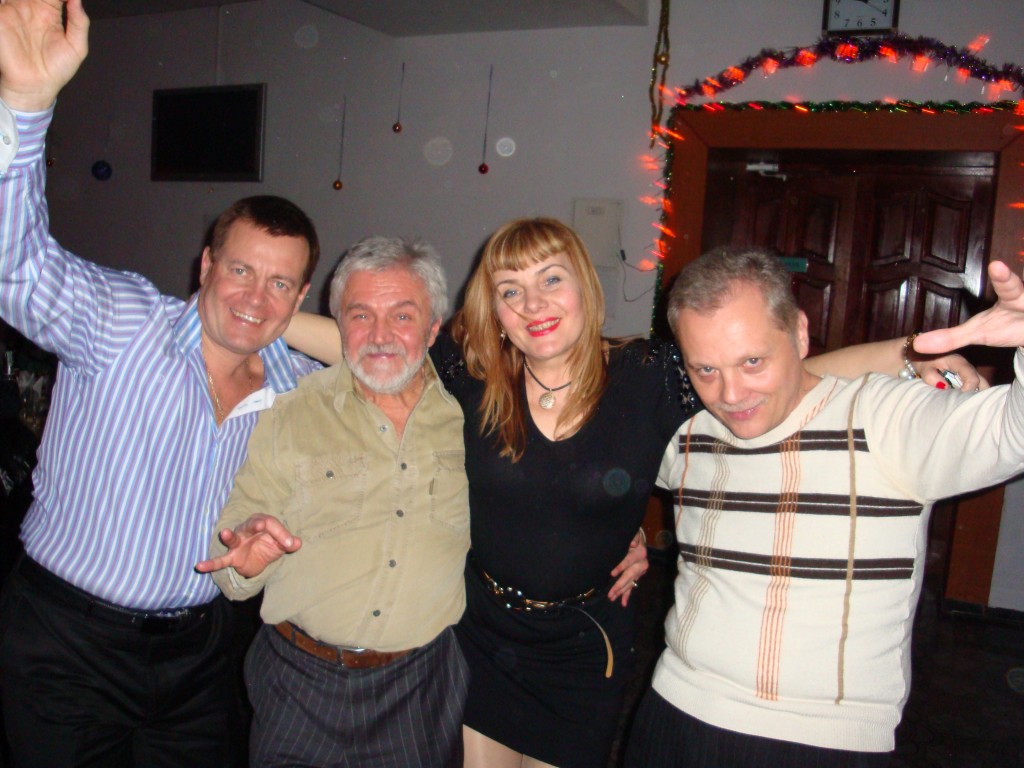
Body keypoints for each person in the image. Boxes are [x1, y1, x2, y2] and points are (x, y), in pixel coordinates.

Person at [283, 219, 979, 768]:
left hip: (583, 648)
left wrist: (910, 353)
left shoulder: (647, 376)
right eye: (511, 289)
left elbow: (792, 369)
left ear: (584, 287)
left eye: (551, 279)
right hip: (482, 635)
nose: (534, 304)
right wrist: (264, 317)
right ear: (493, 309)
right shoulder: (471, 376)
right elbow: (364, 348)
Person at [0, 2, 320, 765]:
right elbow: (16, 266)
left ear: (302, 298)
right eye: (239, 269)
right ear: (205, 266)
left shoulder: (301, 386)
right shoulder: (119, 320)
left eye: (280, 284)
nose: (254, 298)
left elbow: (404, 367)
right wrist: (25, 106)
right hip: (69, 645)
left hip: (200, 656)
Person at [625, 247, 1024, 768]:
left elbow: (1010, 434)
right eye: (706, 369)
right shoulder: (689, 432)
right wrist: (623, 525)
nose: (731, 394)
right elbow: (590, 477)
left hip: (822, 740)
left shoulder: (882, 417)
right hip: (675, 712)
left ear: (799, 334)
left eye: (752, 361)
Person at [196, 236, 470, 767]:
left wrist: (626, 531)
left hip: (420, 688)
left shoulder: (471, 417)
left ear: (434, 327)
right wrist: (245, 555)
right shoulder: (291, 412)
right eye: (361, 315)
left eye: (403, 316)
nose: (380, 336)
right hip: (298, 685)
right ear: (338, 324)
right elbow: (232, 552)